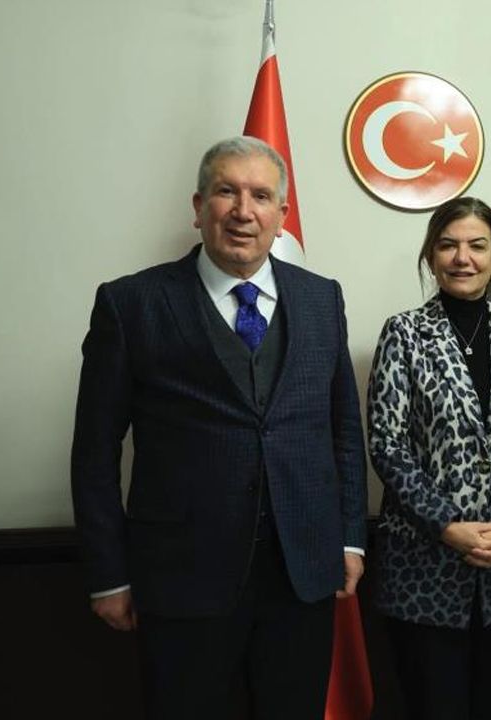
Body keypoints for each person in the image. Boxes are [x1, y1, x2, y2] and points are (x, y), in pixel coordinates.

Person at [70, 136, 367, 719]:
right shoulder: (131, 304)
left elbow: (343, 432)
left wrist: (350, 538)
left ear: (282, 214)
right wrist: (108, 574)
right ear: (199, 206)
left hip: (302, 576)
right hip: (180, 581)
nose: (243, 210)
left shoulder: (321, 299)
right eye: (227, 192)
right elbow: (94, 452)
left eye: (261, 196)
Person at [366, 196, 491, 720]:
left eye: (477, 246)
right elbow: (387, 444)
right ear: (431, 257)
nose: (462, 258)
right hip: (424, 567)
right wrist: (447, 525)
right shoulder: (404, 334)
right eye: (448, 245)